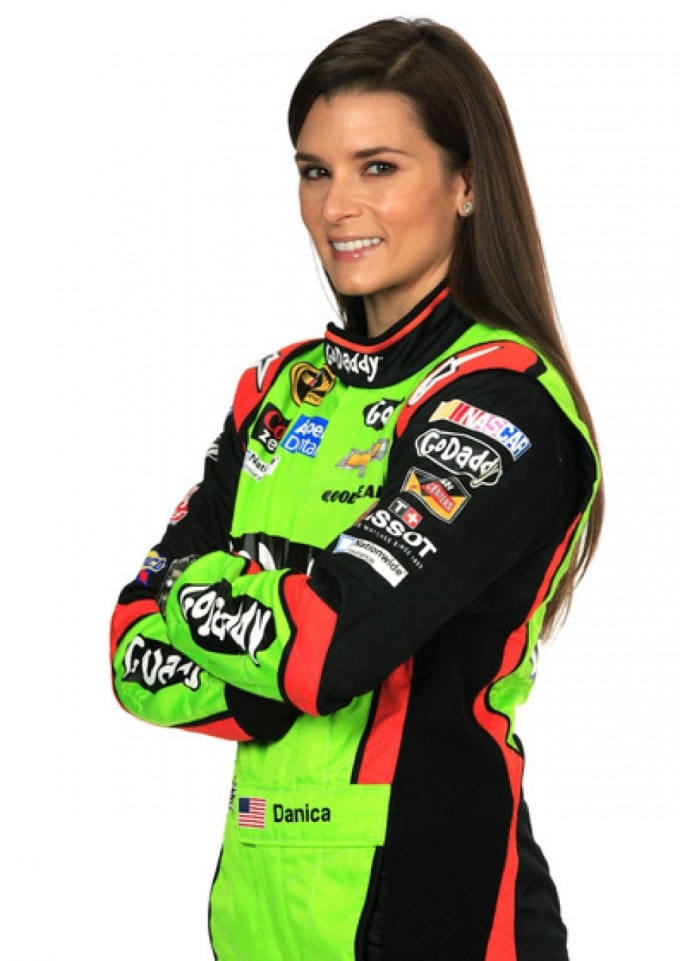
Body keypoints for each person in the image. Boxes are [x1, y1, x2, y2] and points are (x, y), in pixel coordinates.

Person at [110, 17, 603, 961]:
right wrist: (280, 647)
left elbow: (330, 648)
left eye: (379, 166)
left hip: (443, 915)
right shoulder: (278, 391)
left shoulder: (501, 400)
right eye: (315, 170)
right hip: (258, 916)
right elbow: (131, 645)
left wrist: (226, 606)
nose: (338, 206)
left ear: (466, 183)